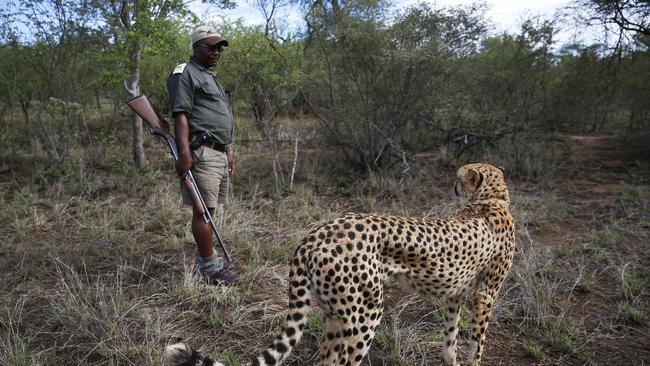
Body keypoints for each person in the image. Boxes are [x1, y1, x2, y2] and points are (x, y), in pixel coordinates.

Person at [167, 25, 238, 285]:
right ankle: (209, 267)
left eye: (219, 47)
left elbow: (219, 118)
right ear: (196, 47)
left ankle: (208, 257)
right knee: (202, 211)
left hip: (218, 152)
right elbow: (181, 115)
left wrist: (228, 150)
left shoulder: (210, 76)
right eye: (211, 47)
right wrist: (184, 153)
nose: (216, 52)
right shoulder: (184, 73)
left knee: (210, 209)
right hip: (202, 152)